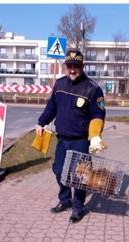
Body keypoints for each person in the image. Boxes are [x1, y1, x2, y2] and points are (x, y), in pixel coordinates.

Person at [35, 49, 107, 223]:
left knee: (80, 176)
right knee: (59, 171)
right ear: (65, 66)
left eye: (76, 66)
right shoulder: (59, 84)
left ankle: (77, 208)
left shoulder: (93, 89)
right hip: (62, 139)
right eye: (70, 66)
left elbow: (98, 115)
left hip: (81, 141)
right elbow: (51, 107)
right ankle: (64, 200)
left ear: (82, 66)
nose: (73, 69)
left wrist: (95, 135)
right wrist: (41, 122)